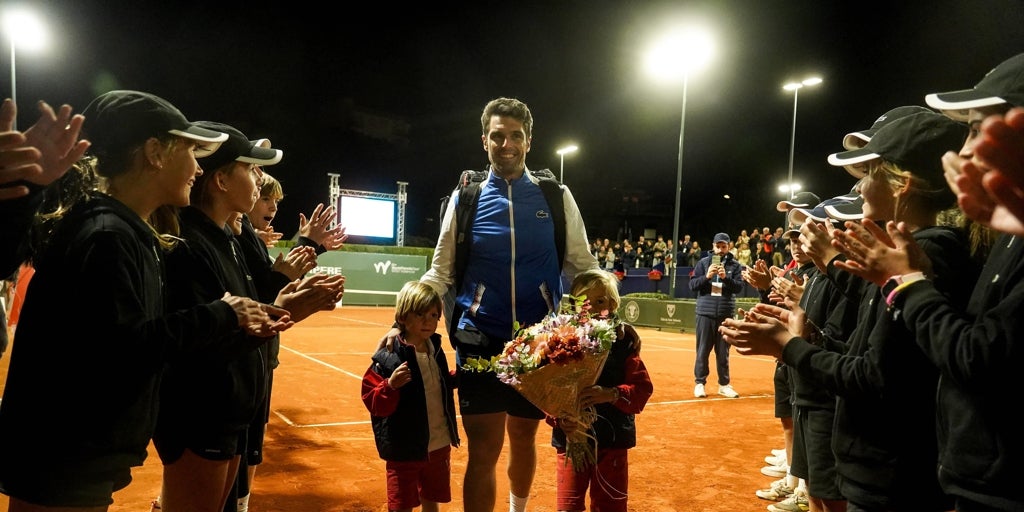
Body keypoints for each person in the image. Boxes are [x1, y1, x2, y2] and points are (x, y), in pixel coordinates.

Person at [0, 90, 291, 510]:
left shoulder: (123, 231)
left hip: (76, 459)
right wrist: (221, 315)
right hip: (65, 458)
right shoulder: (107, 236)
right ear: (155, 152)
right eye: (190, 151)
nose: (197, 166)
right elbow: (123, 348)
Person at [720, 111, 978, 511]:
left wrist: (788, 345)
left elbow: (875, 376)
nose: (860, 185)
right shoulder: (906, 253)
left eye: (870, 172)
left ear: (902, 185)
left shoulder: (926, 254)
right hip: (875, 462)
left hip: (892, 469)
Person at [826, 53, 1024, 512]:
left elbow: (973, 357)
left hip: (915, 475)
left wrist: (907, 283)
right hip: (954, 477)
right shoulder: (994, 239)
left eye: (979, 128)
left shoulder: (935, 249)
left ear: (902, 183)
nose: (966, 149)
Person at [417, 97, 599, 512]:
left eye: (515, 136)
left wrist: (603, 318)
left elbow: (582, 267)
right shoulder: (467, 197)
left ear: (529, 141)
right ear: (485, 141)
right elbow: (441, 271)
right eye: (497, 136)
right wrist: (407, 312)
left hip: (540, 343)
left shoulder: (555, 196)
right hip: (478, 338)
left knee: (523, 436)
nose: (507, 144)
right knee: (483, 449)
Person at [154, 121, 307, 512]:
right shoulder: (192, 244)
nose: (260, 180)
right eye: (251, 170)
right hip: (203, 414)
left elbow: (243, 319)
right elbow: (197, 345)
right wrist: (288, 309)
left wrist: (283, 304)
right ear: (221, 181)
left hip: (231, 410)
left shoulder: (227, 238)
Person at [225, 168, 348, 512]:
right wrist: (306, 246)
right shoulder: (231, 236)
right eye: (265, 196)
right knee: (234, 451)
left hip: (259, 357)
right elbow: (263, 295)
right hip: (242, 361)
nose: (272, 206)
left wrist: (311, 249)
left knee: (249, 449)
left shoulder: (244, 235)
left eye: (275, 200)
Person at [546, 269, 653, 512]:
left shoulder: (624, 341)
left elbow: (642, 388)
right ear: (573, 305)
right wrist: (560, 420)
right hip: (571, 440)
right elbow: (546, 392)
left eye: (600, 301)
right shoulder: (561, 341)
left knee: (610, 507)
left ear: (613, 304)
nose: (592, 308)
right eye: (584, 302)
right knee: (568, 506)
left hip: (612, 440)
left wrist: (612, 393)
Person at [362, 281, 460, 512]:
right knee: (401, 504)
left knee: (431, 497)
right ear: (403, 317)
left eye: (434, 314)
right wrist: (390, 385)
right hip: (404, 448)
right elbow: (373, 400)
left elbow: (440, 382)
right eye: (419, 314)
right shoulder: (388, 356)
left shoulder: (435, 350)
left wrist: (461, 377)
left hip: (438, 443)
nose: (428, 321)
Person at [688, 232, 744, 398]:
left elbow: (739, 287)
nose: (720, 250)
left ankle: (724, 384)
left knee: (723, 352)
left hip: (725, 314)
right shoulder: (703, 263)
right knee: (702, 350)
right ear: (713, 246)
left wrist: (725, 278)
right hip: (705, 312)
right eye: (717, 246)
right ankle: (699, 383)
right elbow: (692, 285)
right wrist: (707, 277)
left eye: (723, 246)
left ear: (729, 247)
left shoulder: (735, 266)